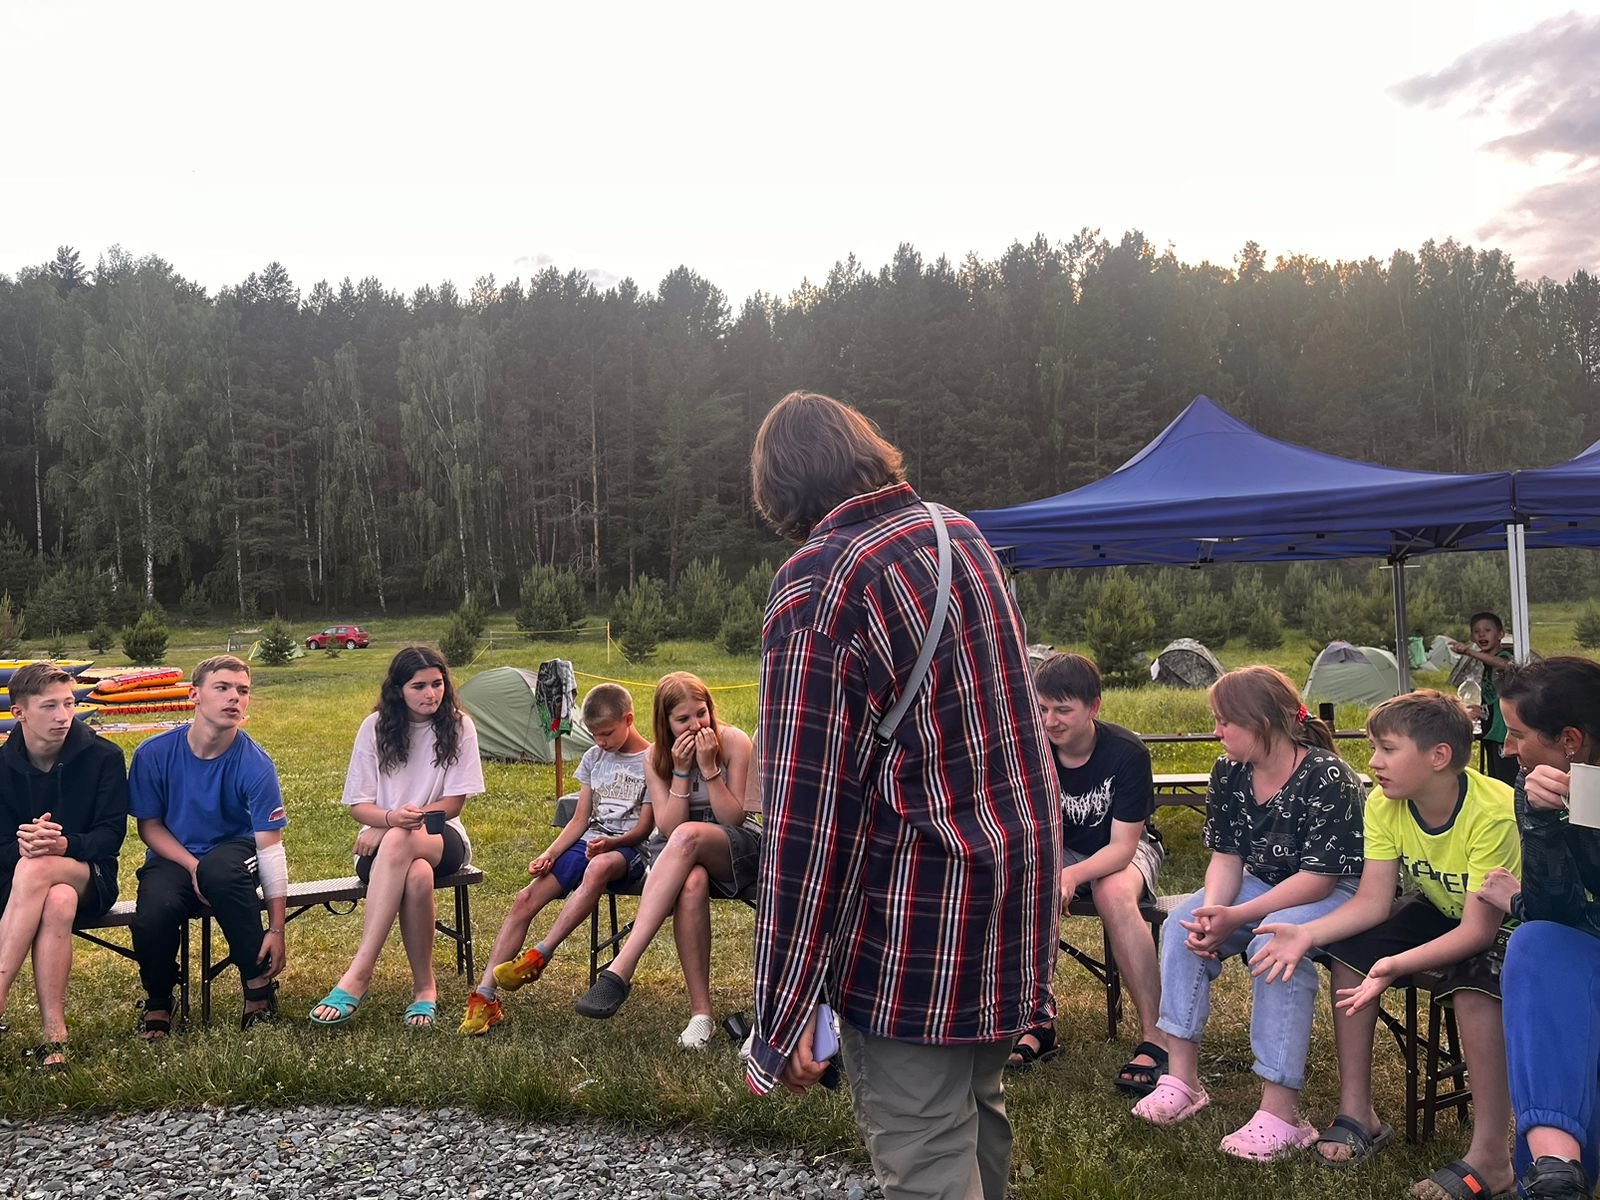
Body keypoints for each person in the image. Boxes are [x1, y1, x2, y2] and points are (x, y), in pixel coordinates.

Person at [744, 391, 1060, 1200]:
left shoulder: (817, 586)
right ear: (866, 452)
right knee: (975, 1110)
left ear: (778, 487)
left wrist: (781, 1015)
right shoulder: (959, 533)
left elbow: (805, 823)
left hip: (916, 914)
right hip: (1014, 885)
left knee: (923, 1147)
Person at [1251, 690, 1517, 1197]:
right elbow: (1372, 903)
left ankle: (1490, 1156)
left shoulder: (1493, 812)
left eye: (1388, 749)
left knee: (1473, 987)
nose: (1373, 763)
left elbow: (1478, 932)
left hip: (1506, 922)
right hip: (1443, 909)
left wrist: (1393, 964)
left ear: (1439, 757)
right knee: (1352, 950)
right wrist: (1307, 933)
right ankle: (1359, 1112)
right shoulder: (1384, 802)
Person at [1133, 665, 1364, 1162]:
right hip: (1262, 883)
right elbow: (1227, 856)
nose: (1217, 732)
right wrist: (1215, 909)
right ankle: (1182, 1079)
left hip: (1333, 889)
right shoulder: (1229, 771)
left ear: (1261, 721)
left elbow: (1319, 878)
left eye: (1224, 721)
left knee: (1271, 945)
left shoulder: (1326, 775)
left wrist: (1241, 918)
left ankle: (1282, 1110)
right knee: (1182, 925)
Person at [572, 671, 757, 1049]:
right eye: (683, 719)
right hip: (682, 854)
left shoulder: (734, 742)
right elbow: (670, 826)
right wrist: (681, 771)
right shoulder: (656, 757)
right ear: (665, 722)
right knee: (691, 882)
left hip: (737, 847)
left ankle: (621, 968)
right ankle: (700, 1015)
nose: (696, 725)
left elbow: (732, 817)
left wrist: (708, 769)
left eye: (701, 714)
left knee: (690, 836)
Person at [458, 682, 654, 1036]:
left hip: (629, 851)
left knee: (598, 866)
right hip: (591, 843)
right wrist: (549, 854)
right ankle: (485, 996)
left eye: (607, 733)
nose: (601, 742)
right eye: (594, 734)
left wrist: (613, 843)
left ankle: (540, 954)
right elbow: (580, 820)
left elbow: (646, 828)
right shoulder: (594, 758)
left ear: (629, 719)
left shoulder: (651, 760)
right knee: (525, 898)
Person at [1014, 652, 1167, 1091]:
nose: (1051, 720)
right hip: (1061, 851)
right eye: (1042, 708)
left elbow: (1122, 848)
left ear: (1093, 707)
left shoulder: (1125, 753)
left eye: (1063, 710)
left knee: (1113, 893)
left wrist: (1072, 876)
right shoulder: (1031, 751)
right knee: (1019, 887)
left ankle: (1156, 1037)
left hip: (1128, 847)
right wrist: (1051, 872)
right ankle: (1036, 1020)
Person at [1476, 658, 1600, 1200]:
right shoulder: (1539, 787)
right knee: (1535, 943)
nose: (1507, 749)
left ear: (1570, 740)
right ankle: (1555, 1168)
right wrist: (1544, 820)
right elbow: (1555, 911)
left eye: (1519, 735)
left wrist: (1588, 801)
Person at [311, 645, 484, 1030]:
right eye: (419, 686)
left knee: (401, 843)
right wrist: (388, 819)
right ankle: (425, 990)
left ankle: (359, 974)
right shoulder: (374, 727)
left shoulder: (459, 725)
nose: (431, 694)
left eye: (437, 684)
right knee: (416, 874)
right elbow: (359, 805)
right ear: (398, 690)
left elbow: (453, 804)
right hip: (383, 846)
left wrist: (392, 825)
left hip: (442, 837)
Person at [129, 654, 288, 1038]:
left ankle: (258, 992)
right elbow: (149, 827)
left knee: (221, 872)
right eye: (223, 688)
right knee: (155, 906)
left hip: (234, 852)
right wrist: (190, 864)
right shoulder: (153, 754)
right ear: (194, 695)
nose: (235, 697)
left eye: (243, 690)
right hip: (174, 853)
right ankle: (158, 999)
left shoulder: (256, 764)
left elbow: (269, 848)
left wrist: (278, 929)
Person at [0, 662, 128, 1069]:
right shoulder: (1, 767)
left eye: (69, 704)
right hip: (18, 886)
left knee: (40, 870)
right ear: (18, 713)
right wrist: (25, 845)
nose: (63, 716)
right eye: (49, 706)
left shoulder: (104, 757)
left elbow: (111, 837)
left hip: (93, 876)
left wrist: (63, 844)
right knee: (55, 899)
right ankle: (56, 1036)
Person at [1450, 611, 1518, 786]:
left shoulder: (1503, 656)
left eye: (1487, 630)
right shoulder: (1486, 664)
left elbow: (1506, 666)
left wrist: (1469, 652)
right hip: (1491, 730)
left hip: (1503, 731)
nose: (1481, 634)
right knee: (1494, 775)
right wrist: (1481, 711)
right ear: (1472, 637)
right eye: (1477, 631)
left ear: (1500, 635)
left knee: (1506, 777)